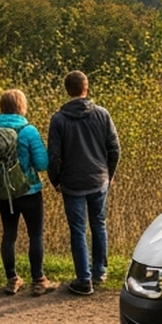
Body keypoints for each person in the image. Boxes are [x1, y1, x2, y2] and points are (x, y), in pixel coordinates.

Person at [48, 70, 122, 295]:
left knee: (78, 230)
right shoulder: (102, 114)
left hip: (72, 183)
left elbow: (54, 155)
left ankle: (83, 279)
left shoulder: (58, 119)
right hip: (98, 179)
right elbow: (114, 148)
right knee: (98, 224)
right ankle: (100, 271)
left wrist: (55, 180)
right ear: (86, 88)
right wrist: (109, 174)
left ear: (66, 90)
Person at [0, 89, 57, 296]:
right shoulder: (28, 131)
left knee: (9, 235)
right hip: (29, 191)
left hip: (5, 193)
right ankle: (39, 280)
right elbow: (42, 163)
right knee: (35, 234)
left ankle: (12, 280)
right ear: (21, 106)